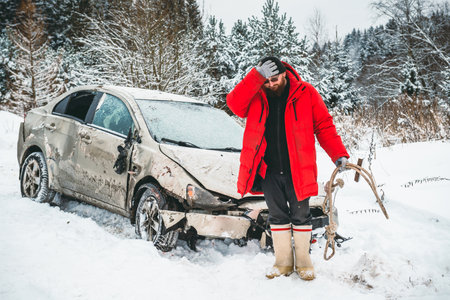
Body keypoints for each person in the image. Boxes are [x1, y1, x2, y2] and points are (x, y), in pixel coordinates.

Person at [226, 57, 349, 280]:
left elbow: (323, 125)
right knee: (277, 215)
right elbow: (234, 105)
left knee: (301, 215)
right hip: (269, 169)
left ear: (284, 74)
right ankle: (282, 262)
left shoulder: (306, 92)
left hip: (298, 169)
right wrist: (256, 77)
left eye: (274, 79)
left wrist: (338, 153)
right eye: (266, 81)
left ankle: (303, 262)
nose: (271, 84)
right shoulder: (256, 94)